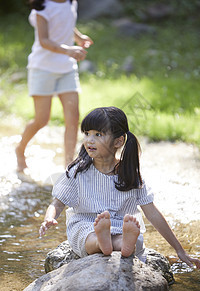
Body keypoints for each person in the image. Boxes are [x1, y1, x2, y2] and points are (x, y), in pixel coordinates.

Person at [39, 106, 200, 268]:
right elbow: (58, 203)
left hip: (120, 226)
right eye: (87, 134)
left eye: (98, 134)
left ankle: (123, 244)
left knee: (127, 239)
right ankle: (102, 241)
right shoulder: (78, 171)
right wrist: (49, 218)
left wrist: (179, 250)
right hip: (85, 224)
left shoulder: (130, 174)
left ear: (119, 141)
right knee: (89, 238)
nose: (89, 140)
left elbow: (152, 213)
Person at [15, 0, 93, 172]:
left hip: (66, 68)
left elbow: (66, 24)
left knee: (73, 118)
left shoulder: (71, 3)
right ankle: (20, 149)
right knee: (42, 119)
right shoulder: (42, 9)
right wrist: (69, 50)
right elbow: (44, 40)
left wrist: (78, 37)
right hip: (42, 68)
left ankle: (69, 166)